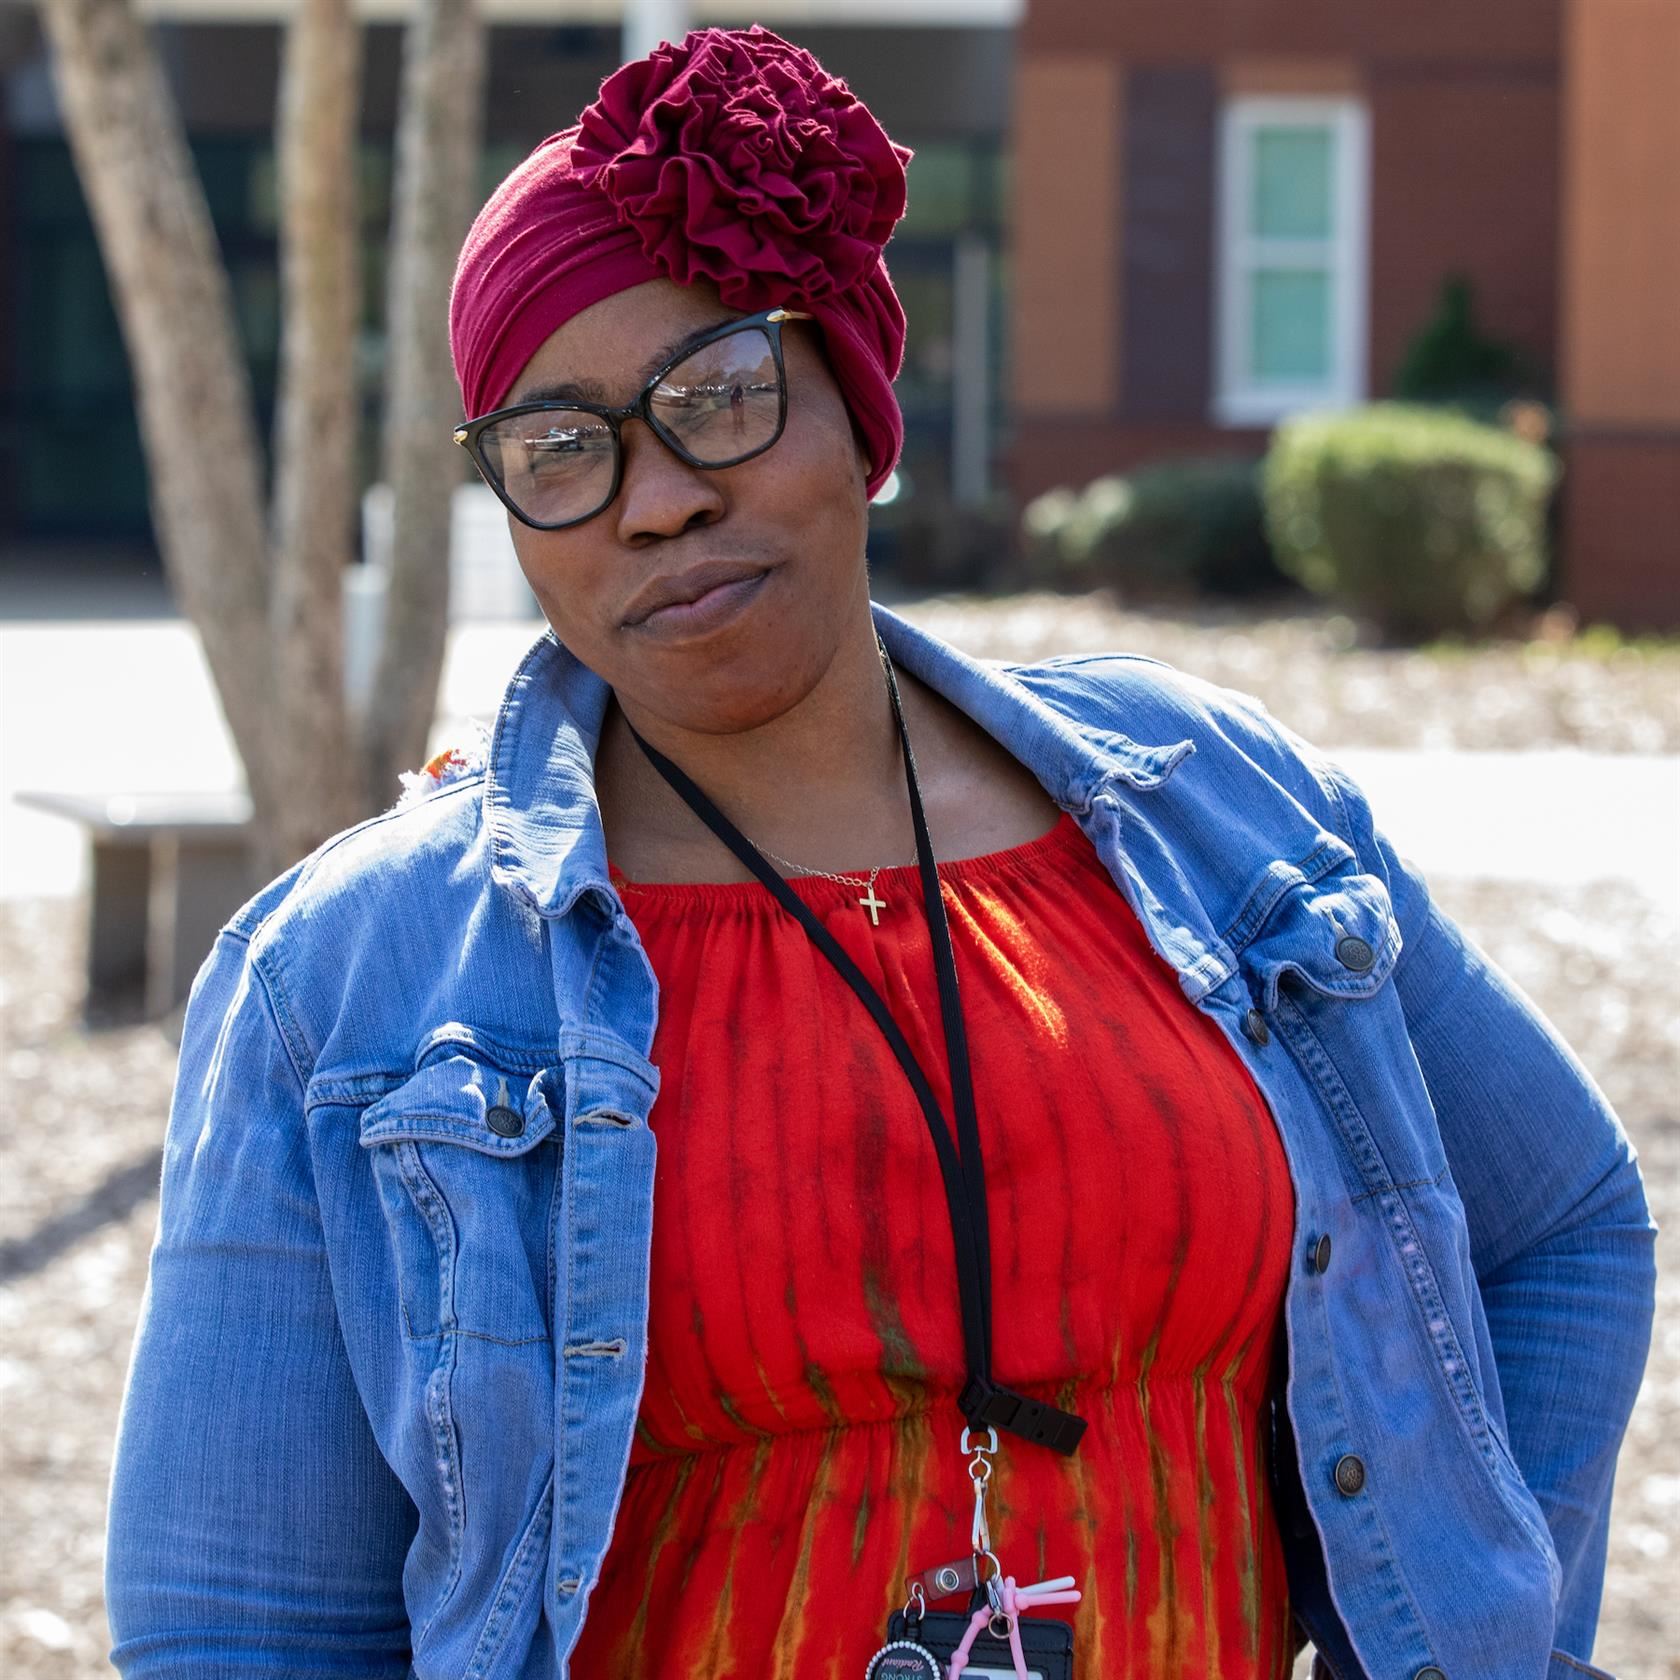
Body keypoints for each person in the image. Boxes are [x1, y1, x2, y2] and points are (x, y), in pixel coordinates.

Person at [104, 25, 1654, 1680]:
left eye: (717, 398)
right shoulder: (349, 983)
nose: (654, 501)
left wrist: (1468, 1645)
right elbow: (240, 1626)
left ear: (857, 406)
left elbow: (1563, 1227)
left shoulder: (1217, 811)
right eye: (562, 447)